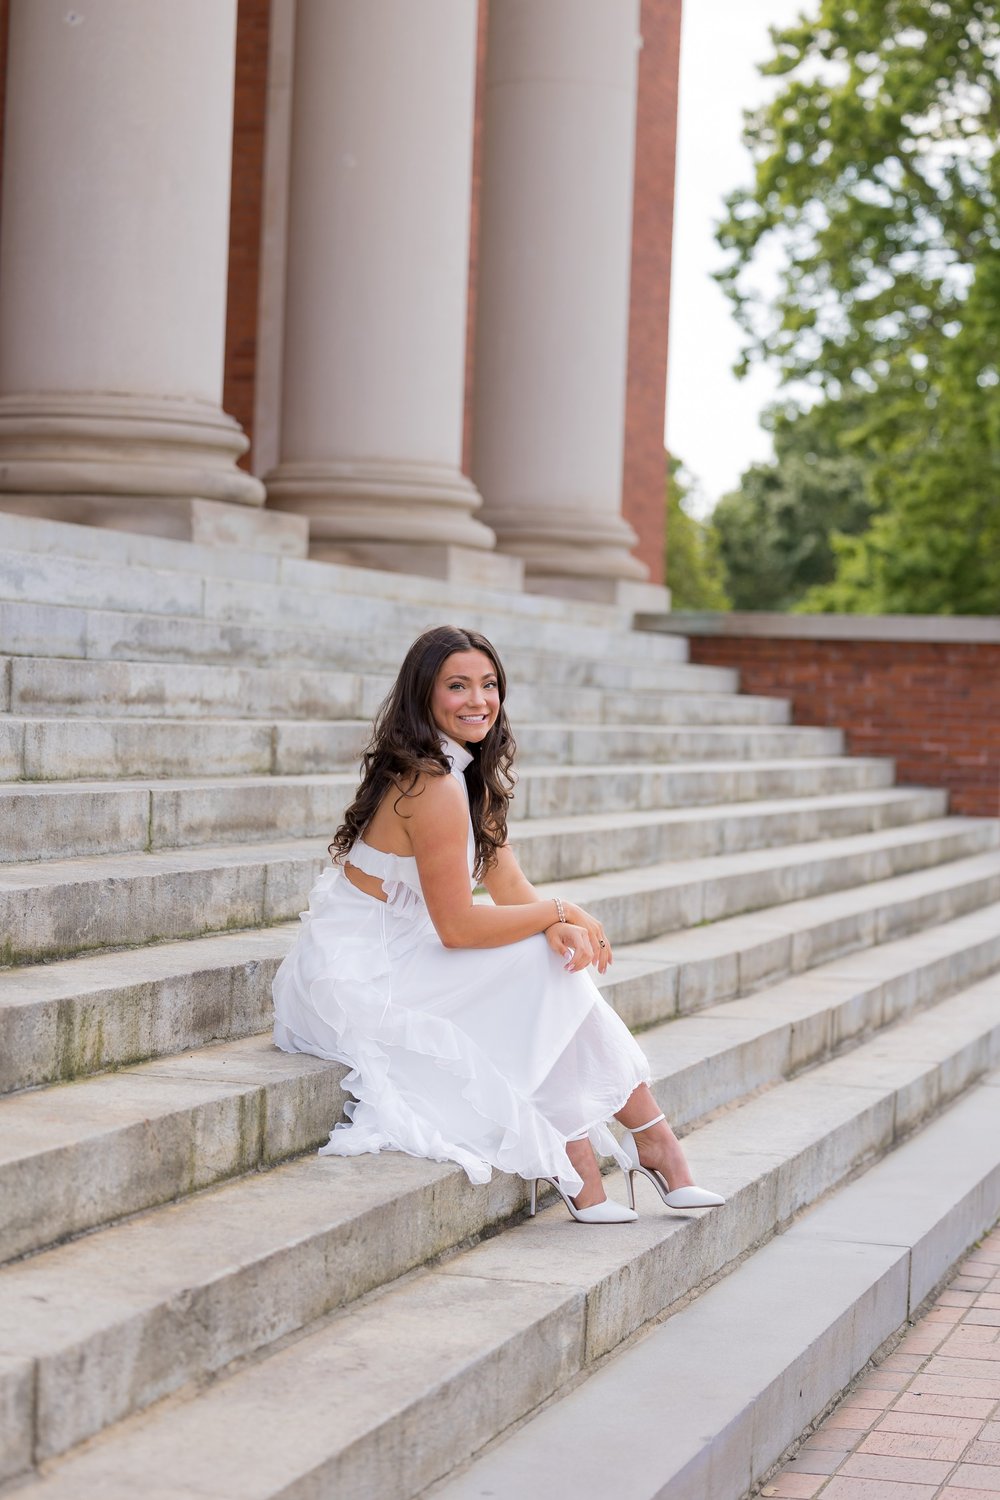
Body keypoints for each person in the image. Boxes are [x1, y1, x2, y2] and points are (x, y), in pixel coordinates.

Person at [272, 625, 724, 1223]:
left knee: (548, 958)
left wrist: (549, 925)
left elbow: (507, 885)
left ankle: (618, 1147)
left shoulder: (463, 768)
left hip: (411, 943)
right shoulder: (430, 783)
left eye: (489, 685)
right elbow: (458, 928)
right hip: (361, 968)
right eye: (457, 686)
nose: (478, 700)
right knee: (534, 965)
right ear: (424, 696)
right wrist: (560, 913)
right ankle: (627, 1148)